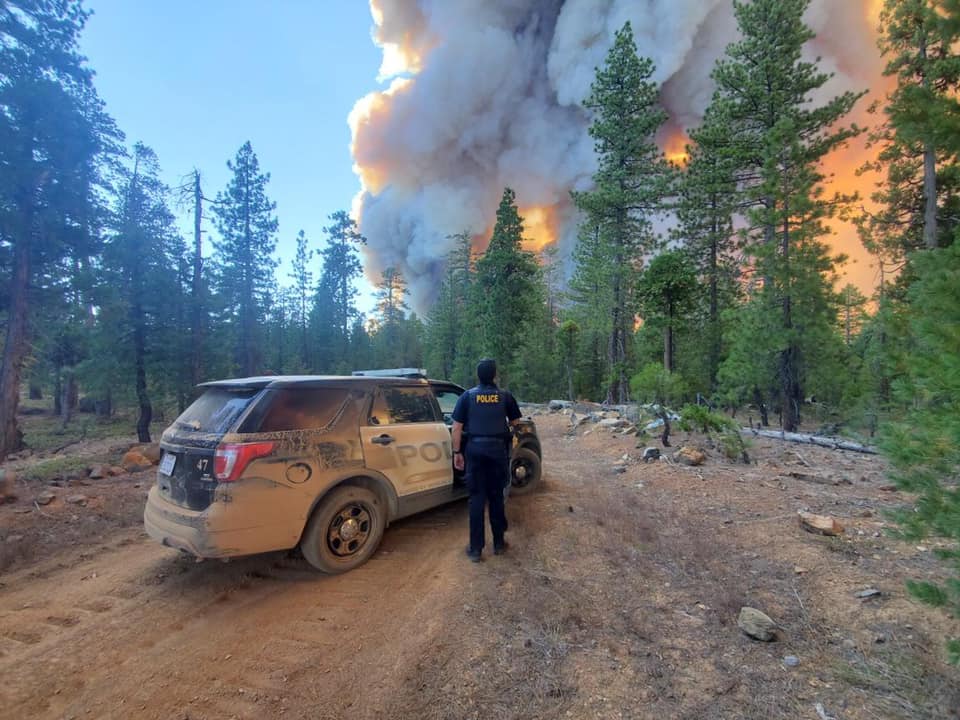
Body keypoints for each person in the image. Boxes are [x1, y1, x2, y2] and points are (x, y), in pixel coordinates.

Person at [451, 358, 522, 562]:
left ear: (478, 376)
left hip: (475, 451)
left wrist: (457, 453)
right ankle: (499, 544)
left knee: (476, 499)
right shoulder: (505, 396)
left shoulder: (467, 396)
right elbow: (516, 423)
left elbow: (456, 428)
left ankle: (475, 550)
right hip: (498, 451)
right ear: (495, 375)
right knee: (496, 497)